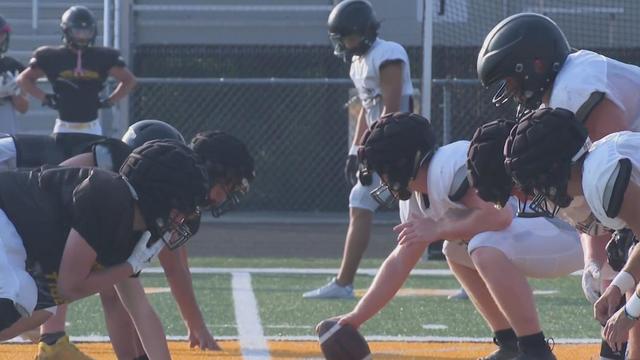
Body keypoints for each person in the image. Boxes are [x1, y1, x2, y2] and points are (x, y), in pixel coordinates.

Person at [328, 112, 580, 360]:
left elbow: (499, 216)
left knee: (482, 244)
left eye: (382, 168)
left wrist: (439, 228)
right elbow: (400, 262)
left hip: (568, 232)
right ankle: (509, 342)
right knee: (456, 250)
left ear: (400, 163)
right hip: (538, 238)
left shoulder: (448, 168)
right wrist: (357, 316)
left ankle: (535, 349)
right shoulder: (417, 197)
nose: (381, 178)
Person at [477, 12, 640, 359]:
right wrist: (595, 262)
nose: (512, 94)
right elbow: (597, 195)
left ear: (535, 64)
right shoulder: (563, 100)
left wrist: (628, 304)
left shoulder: (574, 90)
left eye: (512, 81)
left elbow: (613, 187)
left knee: (626, 247)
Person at [34, 121, 254, 359]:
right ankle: (52, 338)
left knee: (118, 288)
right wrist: (195, 325)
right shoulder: (142, 187)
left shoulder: (157, 187)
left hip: (58, 221)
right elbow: (174, 269)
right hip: (33, 220)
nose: (227, 196)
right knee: (107, 289)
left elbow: (173, 269)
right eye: (228, 185)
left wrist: (195, 324)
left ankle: (53, 337)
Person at [0, 140, 209, 360]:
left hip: (13, 240)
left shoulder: (133, 231)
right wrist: (128, 266)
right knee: (20, 293)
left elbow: (140, 310)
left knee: (40, 311)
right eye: (179, 208)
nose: (180, 219)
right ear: (159, 195)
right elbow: (70, 286)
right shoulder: (110, 197)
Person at [502, 107, 640, 357]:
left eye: (535, 183)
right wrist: (619, 286)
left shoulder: (602, 180)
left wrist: (630, 312)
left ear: (552, 171)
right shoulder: (599, 163)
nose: (536, 193)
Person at [303, 0, 414, 299]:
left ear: (364, 32)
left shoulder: (388, 53)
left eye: (347, 36)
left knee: (435, 210)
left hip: (404, 146)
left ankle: (344, 283)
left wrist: (373, 149)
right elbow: (368, 108)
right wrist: (356, 147)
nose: (344, 43)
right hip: (383, 145)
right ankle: (343, 283)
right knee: (362, 202)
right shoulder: (357, 63)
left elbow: (391, 108)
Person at [17, 5, 136, 154]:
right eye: (78, 31)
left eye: (86, 32)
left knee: (90, 167)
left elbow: (128, 80)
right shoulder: (53, 57)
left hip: (91, 125)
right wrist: (45, 97)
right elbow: (24, 79)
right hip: (63, 126)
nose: (82, 36)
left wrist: (110, 100)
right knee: (62, 166)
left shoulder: (102, 57)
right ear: (67, 31)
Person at [0, 15, 28, 134]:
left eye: (1, 34)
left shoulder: (12, 66)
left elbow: (23, 108)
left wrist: (14, 93)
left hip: (6, 128)